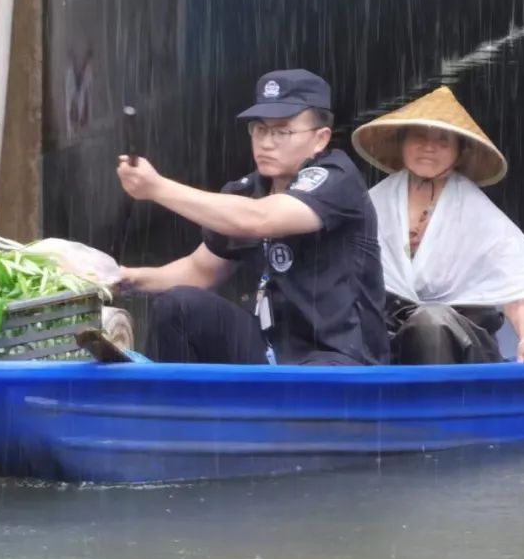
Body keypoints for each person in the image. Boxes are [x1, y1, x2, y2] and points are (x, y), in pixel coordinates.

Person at [117, 69, 389, 366]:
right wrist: (124, 278)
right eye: (260, 129)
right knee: (177, 307)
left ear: (320, 139)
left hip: (340, 359)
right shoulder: (247, 192)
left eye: (282, 131)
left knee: (310, 380)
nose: (266, 142)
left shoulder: (337, 179)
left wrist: (157, 188)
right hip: (271, 351)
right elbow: (200, 270)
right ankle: (180, 409)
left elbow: (261, 219)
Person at [350, 86, 524, 379]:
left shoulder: (475, 211)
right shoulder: (374, 201)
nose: (429, 147)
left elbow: (517, 283)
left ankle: (440, 406)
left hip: (463, 343)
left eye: (442, 141)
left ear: (458, 151)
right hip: (389, 335)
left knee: (432, 320)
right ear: (402, 142)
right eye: (419, 137)